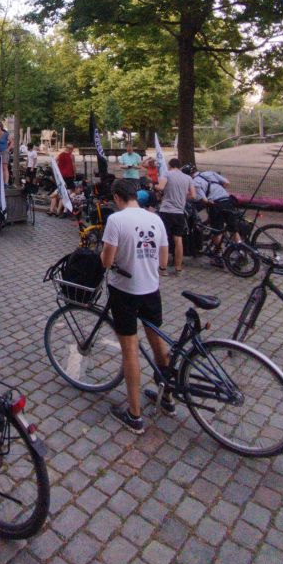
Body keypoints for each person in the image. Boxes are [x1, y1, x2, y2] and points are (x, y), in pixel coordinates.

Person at [100, 179, 170, 435]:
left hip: (125, 291)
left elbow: (107, 261)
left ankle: (135, 414)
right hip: (151, 290)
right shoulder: (156, 219)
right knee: (158, 344)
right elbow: (163, 262)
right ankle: (169, 397)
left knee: (130, 350)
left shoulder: (116, 221)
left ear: (118, 197)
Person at [192, 167, 238, 266]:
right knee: (233, 228)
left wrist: (209, 200)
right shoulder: (209, 173)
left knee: (217, 230)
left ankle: (217, 256)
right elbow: (227, 182)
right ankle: (240, 250)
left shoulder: (195, 182)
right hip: (227, 200)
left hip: (216, 205)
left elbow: (204, 200)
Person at [156, 158, 196, 276]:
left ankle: (163, 268)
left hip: (166, 211)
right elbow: (193, 195)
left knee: (164, 239)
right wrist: (183, 197)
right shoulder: (188, 178)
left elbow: (161, 187)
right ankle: (178, 268)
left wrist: (154, 186)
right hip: (179, 212)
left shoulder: (167, 174)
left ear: (170, 165)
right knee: (178, 239)